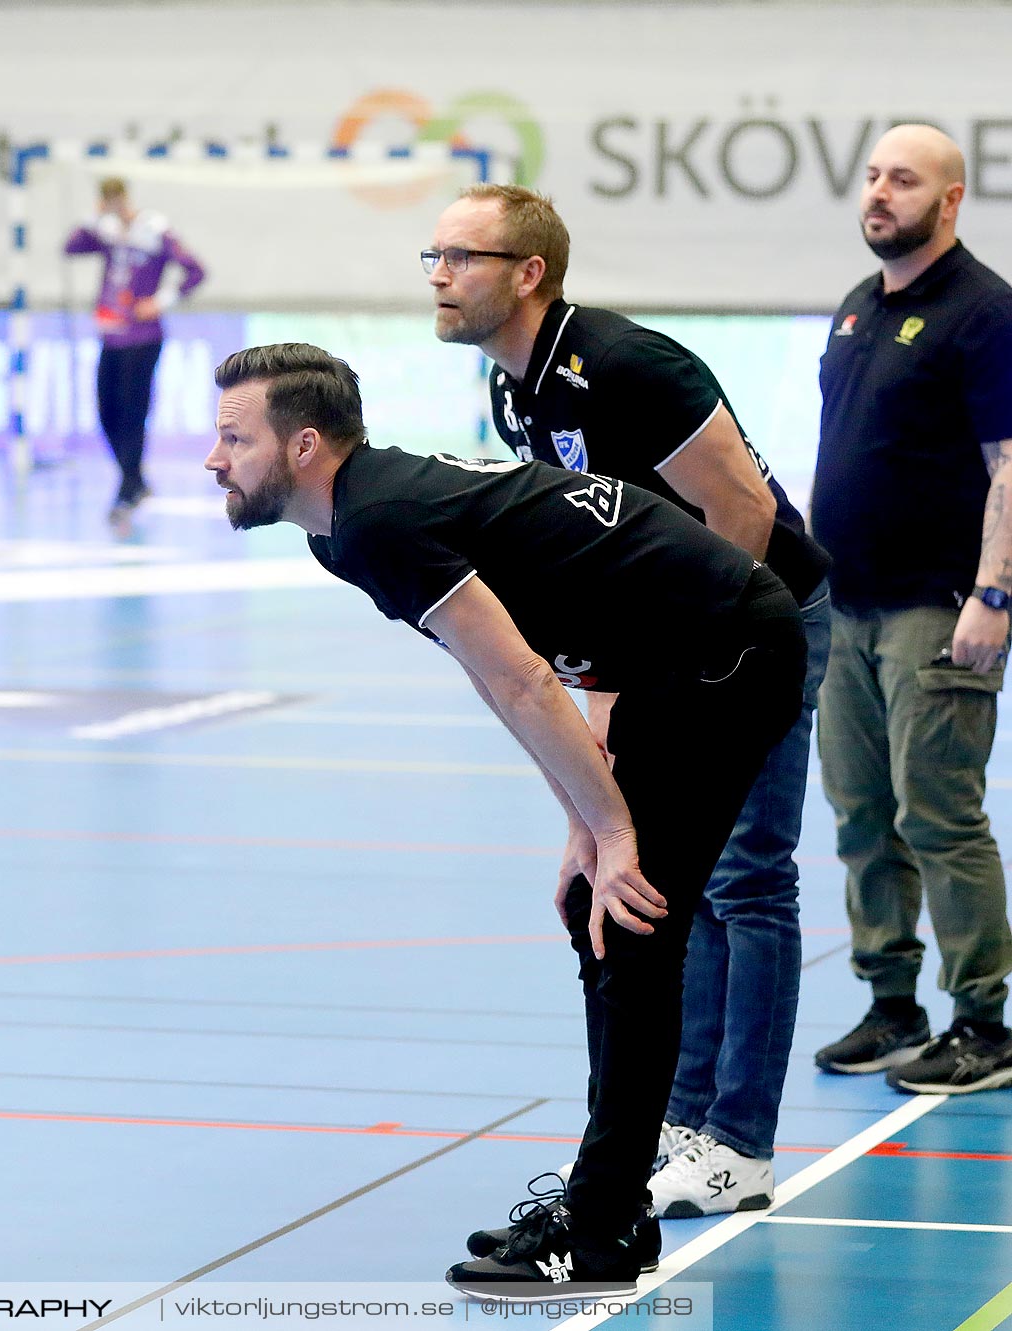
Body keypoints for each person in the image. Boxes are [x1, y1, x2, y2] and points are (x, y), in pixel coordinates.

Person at [204, 343, 805, 1300]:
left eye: (235, 437)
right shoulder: (342, 529)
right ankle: (611, 1202)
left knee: (635, 920)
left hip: (729, 647)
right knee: (596, 912)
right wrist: (585, 822)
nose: (213, 457)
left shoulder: (380, 519)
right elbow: (512, 667)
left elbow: (523, 680)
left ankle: (603, 1223)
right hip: (663, 653)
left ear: (304, 444)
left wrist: (614, 834)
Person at [425, 183, 833, 1216]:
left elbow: (741, 505)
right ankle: (676, 1123)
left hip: (763, 615)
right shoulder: (512, 390)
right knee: (663, 871)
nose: (438, 275)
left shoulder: (622, 364)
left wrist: (685, 653)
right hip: (669, 636)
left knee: (747, 872)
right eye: (431, 255)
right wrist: (604, 683)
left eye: (461, 257)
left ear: (529, 273)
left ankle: (738, 1142)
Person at [810, 123, 1012, 1095]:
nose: (882, 192)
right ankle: (894, 1003)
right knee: (861, 816)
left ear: (952, 198)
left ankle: (983, 1021)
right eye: (875, 174)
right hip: (847, 608)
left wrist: (995, 592)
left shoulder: (985, 312)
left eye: (906, 179)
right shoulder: (857, 306)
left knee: (940, 815)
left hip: (937, 610)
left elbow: (1010, 461)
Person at [64, 177, 205, 535]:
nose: (112, 204)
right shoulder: (107, 231)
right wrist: (94, 216)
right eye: (106, 199)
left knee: (132, 412)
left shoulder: (154, 228)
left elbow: (195, 271)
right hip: (110, 337)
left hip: (143, 338)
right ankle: (136, 480)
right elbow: (71, 247)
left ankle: (127, 490)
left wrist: (159, 302)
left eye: (115, 198)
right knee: (105, 411)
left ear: (126, 198)